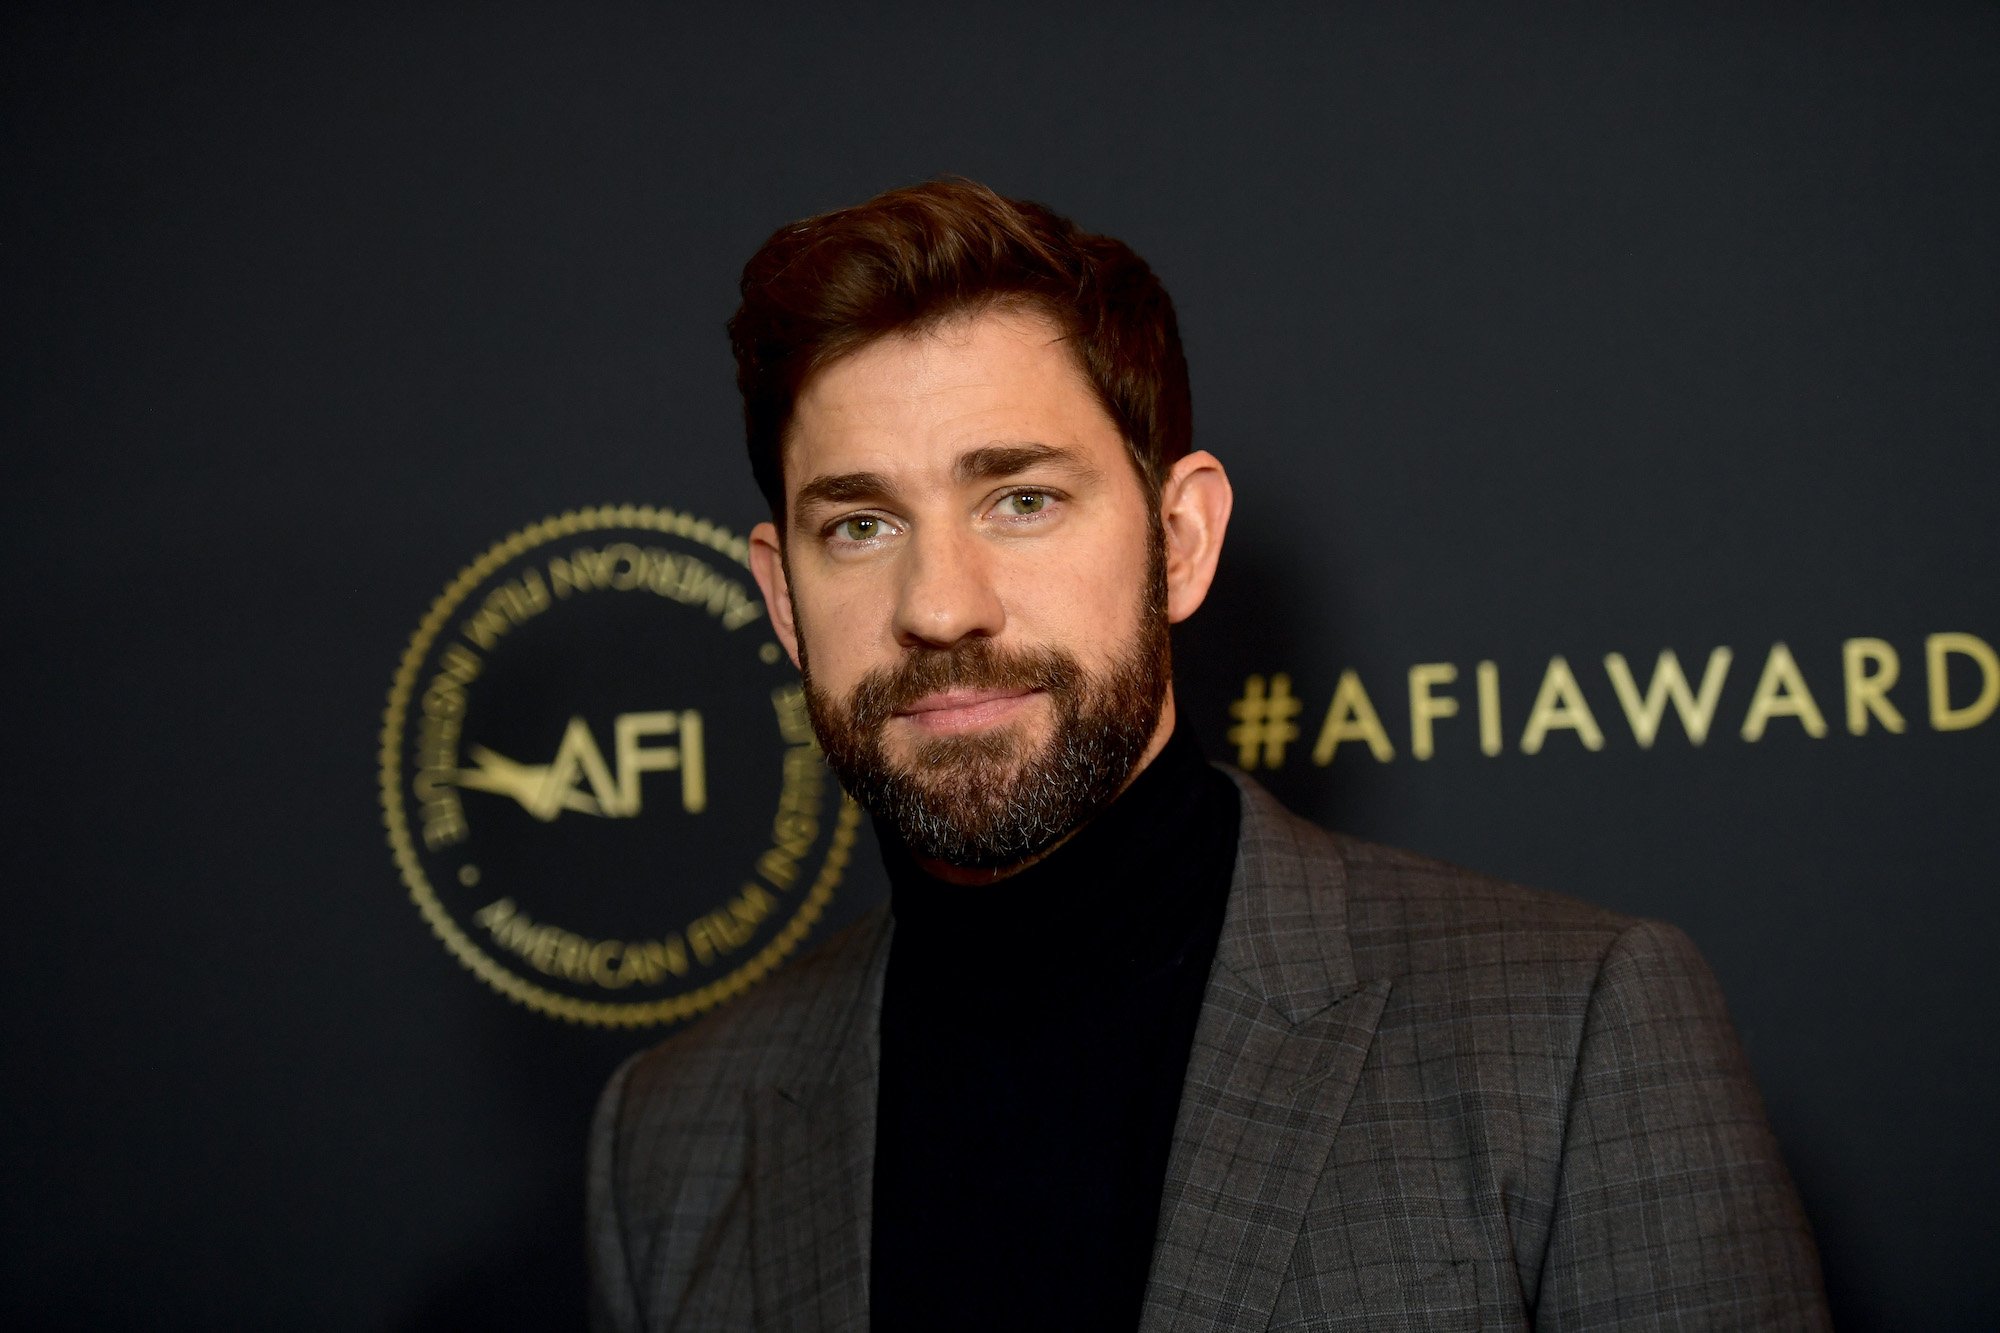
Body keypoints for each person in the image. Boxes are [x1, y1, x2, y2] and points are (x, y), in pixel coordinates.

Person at [587, 179, 1829, 1331]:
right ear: (784, 597)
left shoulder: (1568, 1037)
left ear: (1178, 540)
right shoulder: (669, 1138)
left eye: (1019, 499)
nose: (941, 606)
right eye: (859, 525)